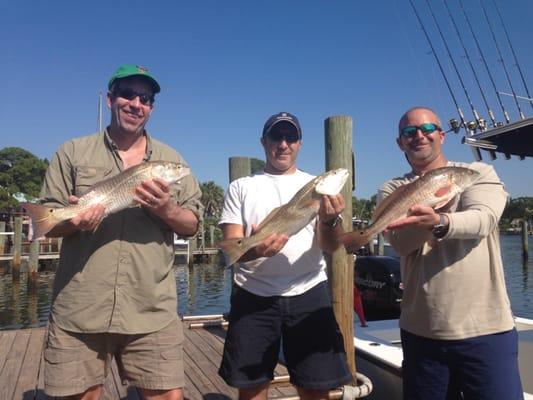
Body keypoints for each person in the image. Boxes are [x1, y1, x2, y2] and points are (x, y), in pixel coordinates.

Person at [40, 64, 203, 400]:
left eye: (145, 98)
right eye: (127, 94)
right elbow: (48, 225)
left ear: (152, 107)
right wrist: (74, 221)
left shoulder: (171, 158)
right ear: (110, 98)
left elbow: (193, 224)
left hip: (151, 308)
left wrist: (167, 209)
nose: (135, 103)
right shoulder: (72, 152)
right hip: (80, 308)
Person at [379, 106, 523, 400]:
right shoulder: (393, 188)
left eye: (428, 129)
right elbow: (401, 244)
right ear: (400, 143)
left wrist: (440, 222)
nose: (419, 136)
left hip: (487, 330)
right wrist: (426, 221)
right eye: (409, 132)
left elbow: (483, 219)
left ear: (441, 135)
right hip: (422, 332)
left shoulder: (476, 173)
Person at [218, 112, 352, 400]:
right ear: (263, 142)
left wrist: (329, 221)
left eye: (290, 137)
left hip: (309, 291)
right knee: (251, 388)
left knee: (316, 388)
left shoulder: (316, 188)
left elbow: (330, 246)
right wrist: (255, 249)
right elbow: (232, 246)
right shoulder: (240, 187)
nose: (283, 144)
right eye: (276, 137)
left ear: (300, 144)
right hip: (252, 295)